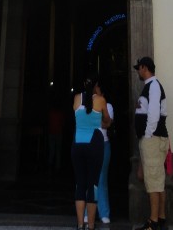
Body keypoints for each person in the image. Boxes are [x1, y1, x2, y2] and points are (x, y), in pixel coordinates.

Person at [71, 75, 111, 230]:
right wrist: (99, 120)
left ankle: (80, 224)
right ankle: (91, 225)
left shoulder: (76, 98)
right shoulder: (101, 100)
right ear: (96, 86)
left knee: (80, 183)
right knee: (93, 183)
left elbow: (77, 115)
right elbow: (107, 120)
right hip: (94, 142)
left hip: (77, 142)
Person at [134, 56, 168, 230]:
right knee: (157, 179)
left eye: (139, 69)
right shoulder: (150, 86)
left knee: (154, 182)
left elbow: (153, 114)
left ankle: (153, 222)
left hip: (152, 139)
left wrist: (147, 136)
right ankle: (160, 218)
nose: (138, 72)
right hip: (152, 139)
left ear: (144, 68)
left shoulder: (153, 86)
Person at [93, 79, 114, 225]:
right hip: (90, 143)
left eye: (97, 87)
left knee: (101, 179)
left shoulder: (109, 106)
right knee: (89, 179)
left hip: (103, 144)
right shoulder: (89, 104)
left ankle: (104, 212)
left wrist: (94, 120)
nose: (94, 90)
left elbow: (107, 124)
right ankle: (88, 212)